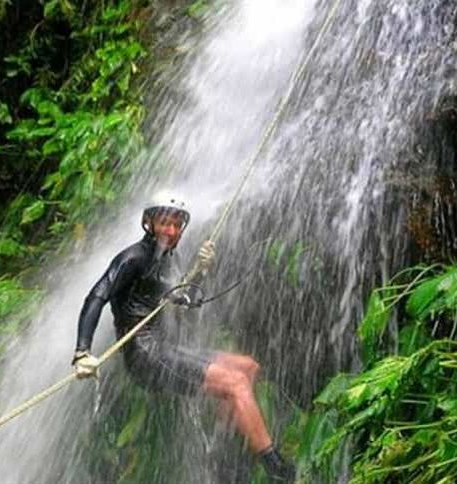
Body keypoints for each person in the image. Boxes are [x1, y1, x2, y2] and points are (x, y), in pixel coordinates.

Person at [72, 193, 296, 483]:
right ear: (149, 223)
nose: (171, 230)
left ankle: (223, 454)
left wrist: (199, 272)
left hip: (166, 347)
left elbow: (181, 299)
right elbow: (96, 296)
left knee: (247, 367)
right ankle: (277, 468)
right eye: (165, 222)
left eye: (177, 224)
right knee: (236, 383)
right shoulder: (133, 258)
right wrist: (82, 351)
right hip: (145, 355)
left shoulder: (168, 260)